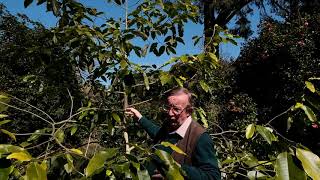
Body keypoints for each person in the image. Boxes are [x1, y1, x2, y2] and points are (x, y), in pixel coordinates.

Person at [125, 87, 221, 180]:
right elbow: (158, 133)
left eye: (176, 109)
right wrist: (139, 118)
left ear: (189, 111)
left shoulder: (200, 137)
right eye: (168, 107)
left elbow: (212, 176)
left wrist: (174, 171)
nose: (170, 113)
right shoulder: (170, 126)